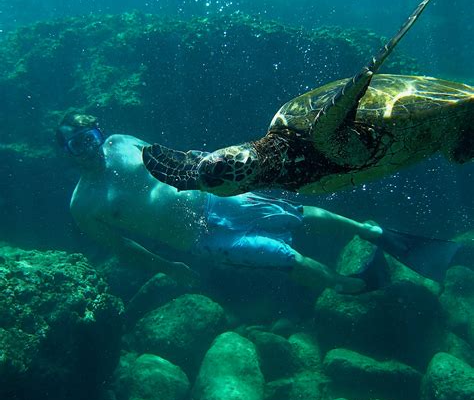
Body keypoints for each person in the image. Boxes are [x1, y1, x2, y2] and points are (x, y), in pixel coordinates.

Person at [56, 113, 457, 295]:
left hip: (215, 199)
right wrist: (168, 268)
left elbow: (171, 157)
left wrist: (206, 167)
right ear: (66, 153)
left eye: (91, 135)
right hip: (198, 239)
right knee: (286, 259)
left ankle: (371, 233)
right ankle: (351, 286)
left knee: (295, 216)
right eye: (78, 144)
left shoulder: (121, 141)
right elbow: (122, 249)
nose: (89, 147)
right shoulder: (84, 204)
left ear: (99, 132)